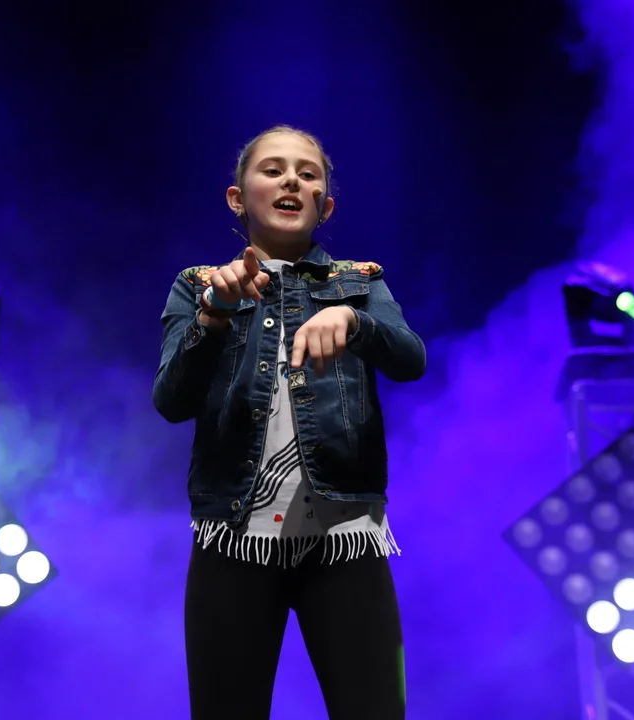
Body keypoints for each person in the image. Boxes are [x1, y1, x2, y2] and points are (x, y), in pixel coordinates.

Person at [153, 125, 426, 720]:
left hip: (344, 538)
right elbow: (171, 401)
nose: (291, 182)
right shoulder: (198, 286)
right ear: (237, 197)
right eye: (273, 170)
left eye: (307, 174)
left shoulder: (360, 281)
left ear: (325, 206)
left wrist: (355, 322)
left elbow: (411, 359)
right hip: (233, 538)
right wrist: (213, 317)